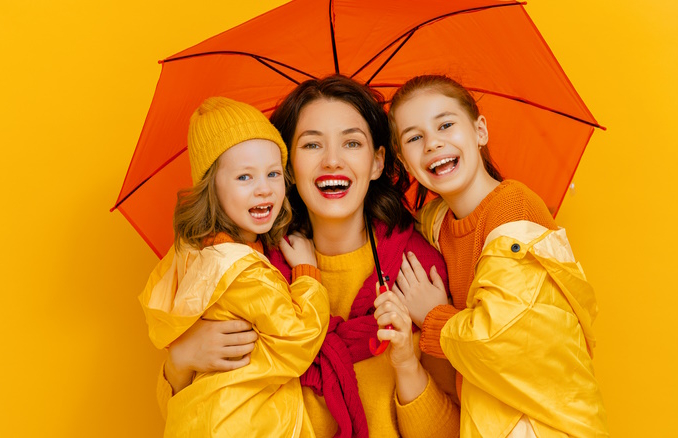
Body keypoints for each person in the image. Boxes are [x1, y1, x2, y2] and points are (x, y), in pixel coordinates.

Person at [152, 76, 461, 438]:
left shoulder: (418, 272)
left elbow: (451, 432)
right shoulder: (245, 266)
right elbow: (202, 416)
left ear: (377, 162)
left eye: (351, 143)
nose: (332, 161)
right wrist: (180, 361)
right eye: (312, 144)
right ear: (288, 168)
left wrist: (408, 363)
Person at [378, 74, 609, 437]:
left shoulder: (511, 208)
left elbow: (505, 343)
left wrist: (434, 315)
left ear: (480, 131)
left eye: (446, 125)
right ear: (405, 162)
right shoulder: (436, 224)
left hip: (547, 424)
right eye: (414, 137)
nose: (433, 143)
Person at [139, 97, 329, 437]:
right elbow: (297, 338)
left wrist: (180, 359)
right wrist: (307, 274)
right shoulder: (241, 267)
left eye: (273, 173)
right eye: (244, 177)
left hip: (198, 419)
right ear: (211, 187)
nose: (264, 189)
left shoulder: (191, 254)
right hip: (242, 425)